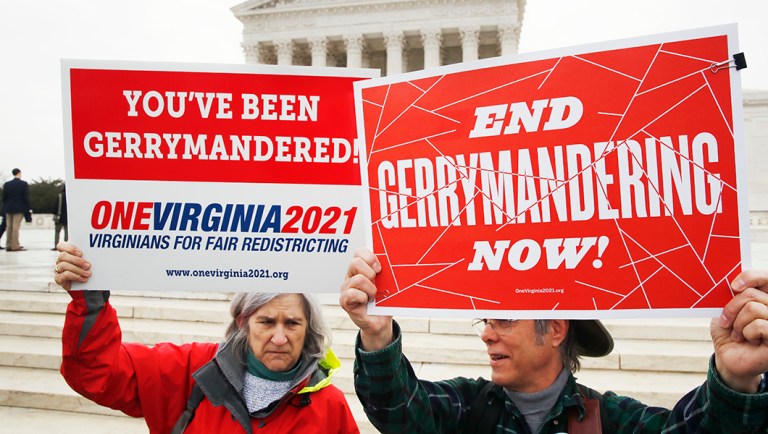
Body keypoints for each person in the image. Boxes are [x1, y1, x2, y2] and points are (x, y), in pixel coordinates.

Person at [340, 247, 768, 433]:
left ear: (556, 330)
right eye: (486, 320)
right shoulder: (466, 408)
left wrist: (733, 380)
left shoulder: (614, 420)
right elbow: (398, 410)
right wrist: (377, 334)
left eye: (504, 319)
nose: (487, 333)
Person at [54, 242, 359, 434]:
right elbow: (99, 375)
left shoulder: (329, 406)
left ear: (309, 327)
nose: (279, 338)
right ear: (243, 321)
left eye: (292, 323)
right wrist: (90, 300)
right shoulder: (191, 370)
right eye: (266, 322)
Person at [3, 168, 30, 251]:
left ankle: (8, 245)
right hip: (19, 208)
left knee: (9, 227)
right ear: (19, 173)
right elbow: (25, 197)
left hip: (8, 208)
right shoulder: (23, 184)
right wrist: (28, 208)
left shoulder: (7, 184)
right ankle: (15, 245)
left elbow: (4, 197)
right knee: (15, 227)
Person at [52, 184, 68, 250]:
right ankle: (66, 246)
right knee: (67, 232)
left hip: (59, 217)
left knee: (57, 232)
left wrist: (55, 214)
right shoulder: (71, 196)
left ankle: (56, 245)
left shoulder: (60, 196)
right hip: (67, 218)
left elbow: (55, 207)